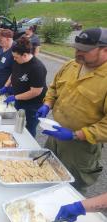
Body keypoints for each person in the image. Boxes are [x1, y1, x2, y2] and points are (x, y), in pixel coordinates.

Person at [37, 28, 107, 192]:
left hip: (80, 147)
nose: (78, 53)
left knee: (71, 188)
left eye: (85, 50)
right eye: (76, 48)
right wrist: (47, 104)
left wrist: (75, 135)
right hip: (55, 135)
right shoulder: (72, 65)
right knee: (45, 173)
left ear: (105, 50)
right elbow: (54, 88)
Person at [3, 36, 47, 137]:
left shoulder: (37, 68)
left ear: (25, 55)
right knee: (17, 122)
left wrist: (15, 97)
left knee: (29, 127)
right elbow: (13, 73)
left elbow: (35, 92)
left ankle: (28, 148)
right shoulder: (18, 60)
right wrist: (6, 86)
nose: (14, 59)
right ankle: (15, 139)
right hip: (20, 98)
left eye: (16, 57)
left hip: (33, 104)